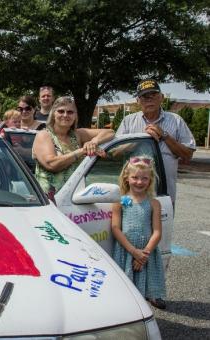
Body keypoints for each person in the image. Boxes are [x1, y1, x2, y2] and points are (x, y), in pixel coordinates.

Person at [116, 79, 195, 205]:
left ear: (162, 97)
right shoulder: (128, 121)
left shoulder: (176, 120)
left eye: (153, 95)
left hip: (164, 194)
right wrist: (140, 139)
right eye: (144, 97)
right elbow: (116, 153)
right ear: (137, 101)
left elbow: (188, 154)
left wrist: (164, 135)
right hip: (133, 195)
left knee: (162, 225)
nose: (149, 99)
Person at [111, 156, 166, 309]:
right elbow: (115, 228)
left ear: (150, 181)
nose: (139, 182)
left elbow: (157, 232)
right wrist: (134, 252)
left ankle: (144, 312)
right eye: (135, 177)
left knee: (143, 292)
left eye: (144, 178)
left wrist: (143, 255)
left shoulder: (154, 203)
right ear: (126, 178)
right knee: (126, 291)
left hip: (146, 253)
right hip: (126, 251)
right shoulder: (120, 201)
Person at [32, 96, 114, 197]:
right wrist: (82, 151)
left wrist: (93, 142)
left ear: (75, 116)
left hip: (75, 199)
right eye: (61, 111)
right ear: (53, 113)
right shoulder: (44, 135)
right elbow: (51, 164)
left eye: (70, 112)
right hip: (49, 201)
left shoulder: (78, 134)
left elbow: (110, 132)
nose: (65, 115)